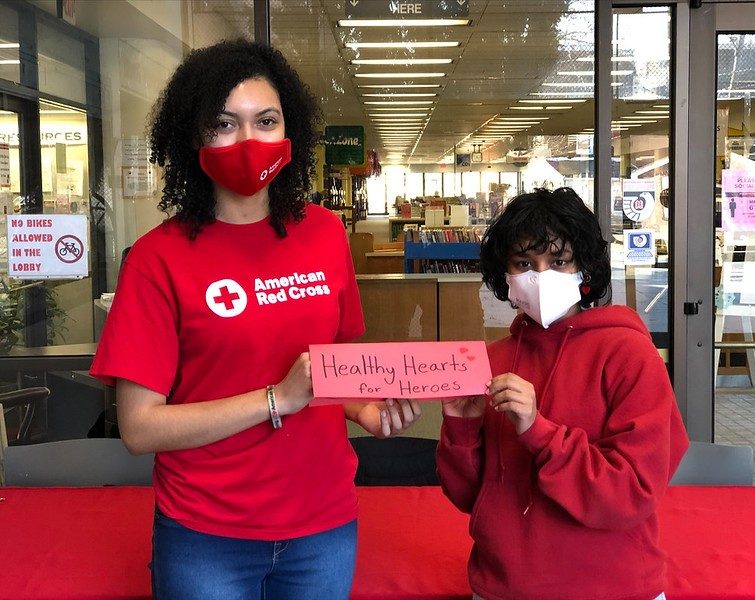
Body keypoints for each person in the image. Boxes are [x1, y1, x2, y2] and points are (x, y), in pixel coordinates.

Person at [90, 39, 420, 600]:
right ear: (192, 137)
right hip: (206, 533)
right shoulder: (156, 260)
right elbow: (139, 427)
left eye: (266, 121)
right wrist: (276, 399)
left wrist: (369, 407)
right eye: (224, 123)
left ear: (290, 132)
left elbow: (335, 369)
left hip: (324, 524)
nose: (249, 141)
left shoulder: (324, 235)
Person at [436, 187, 689, 600]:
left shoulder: (627, 353)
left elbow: (632, 492)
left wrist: (539, 431)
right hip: (503, 588)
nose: (541, 276)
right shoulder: (492, 360)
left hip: (613, 589)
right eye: (524, 263)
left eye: (558, 261)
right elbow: (470, 496)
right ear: (506, 274)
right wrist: (461, 430)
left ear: (584, 268)